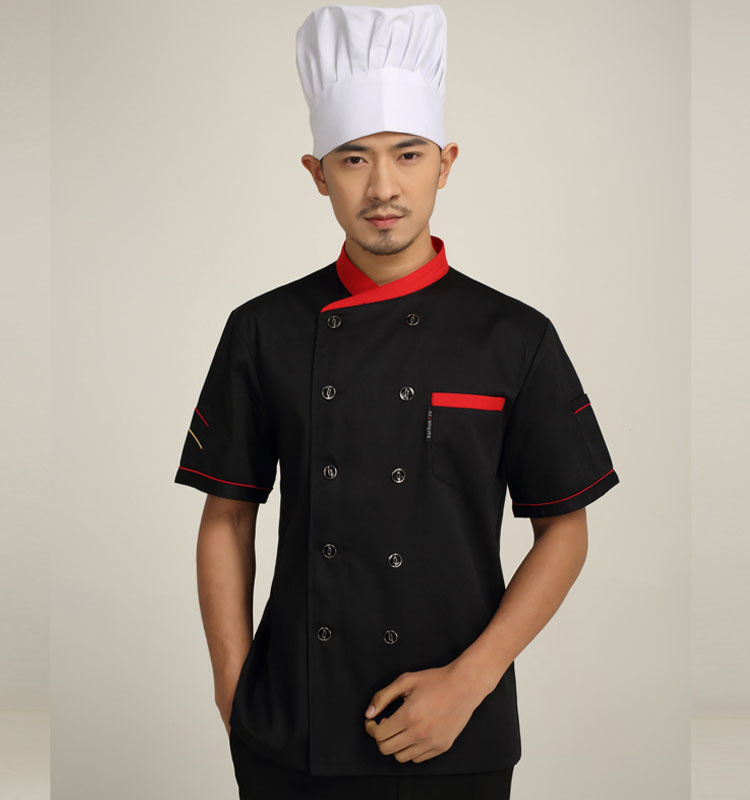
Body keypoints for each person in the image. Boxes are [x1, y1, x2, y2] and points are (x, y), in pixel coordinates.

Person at [173, 4, 620, 798]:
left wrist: (468, 684)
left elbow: (566, 531)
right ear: (317, 173)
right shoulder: (263, 329)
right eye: (353, 160)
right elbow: (227, 518)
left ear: (445, 164)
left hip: (457, 729)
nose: (382, 187)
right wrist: (236, 693)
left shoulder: (514, 337)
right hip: (294, 728)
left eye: (407, 154)